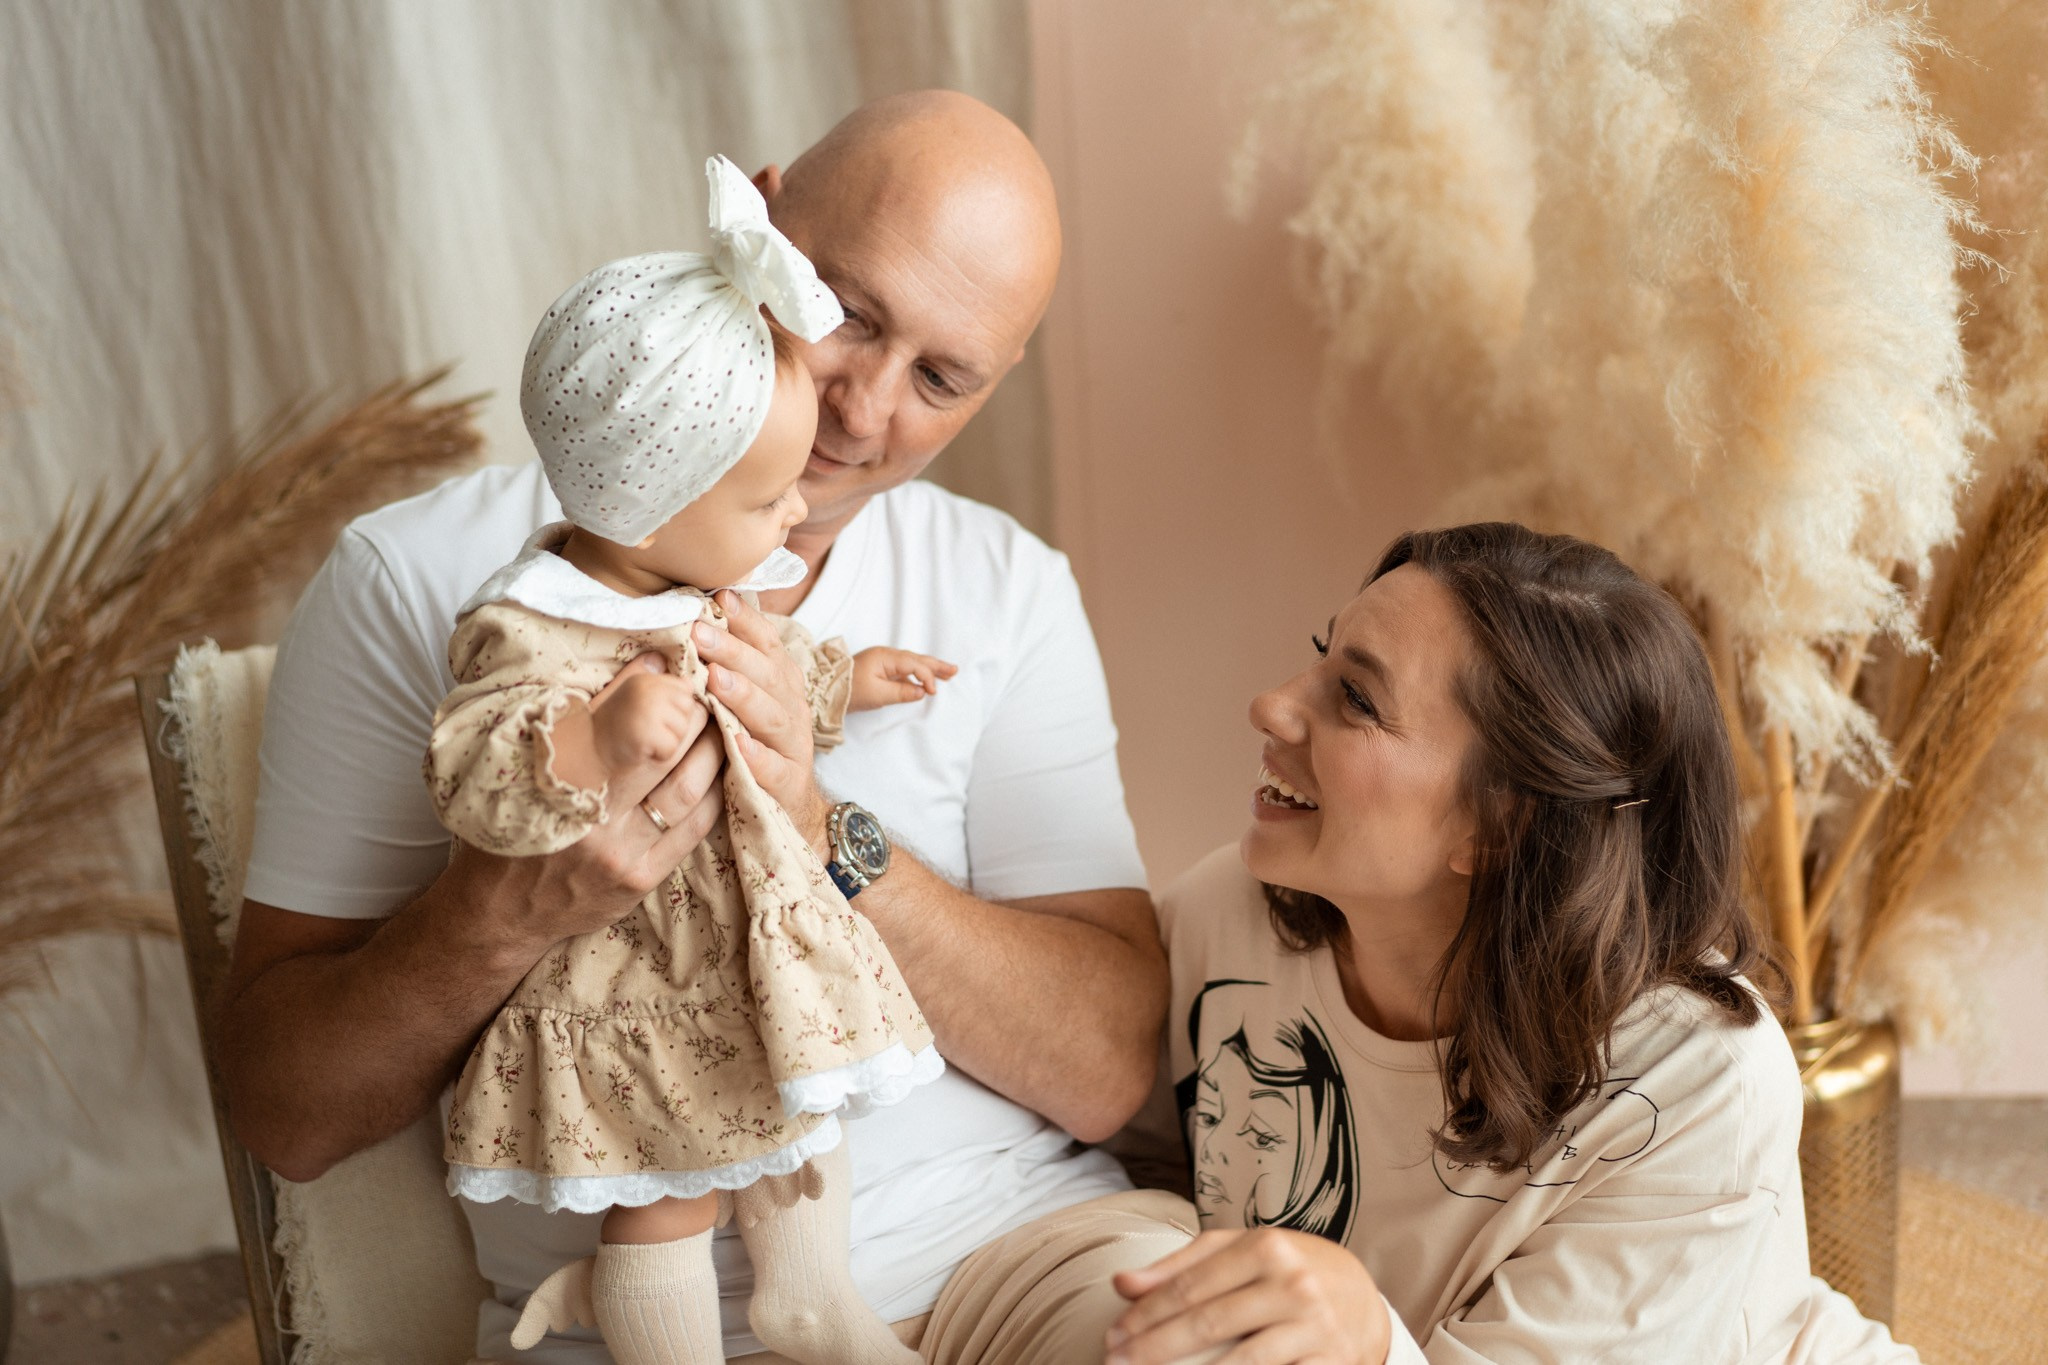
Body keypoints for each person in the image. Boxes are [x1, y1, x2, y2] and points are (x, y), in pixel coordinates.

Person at [219, 91, 1190, 1364]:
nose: (858, 409)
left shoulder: (1001, 588)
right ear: (763, 216)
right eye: (846, 313)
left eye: (940, 377)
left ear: (997, 384)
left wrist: (822, 831)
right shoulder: (428, 582)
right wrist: (511, 908)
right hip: (648, 1317)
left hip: (1019, 1261)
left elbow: (1114, 1064)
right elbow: (286, 1110)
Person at [1106, 524, 1918, 1364]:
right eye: (1324, 654)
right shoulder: (1231, 917)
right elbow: (1100, 1144)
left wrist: (1371, 1338)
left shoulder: (1695, 1079)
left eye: (1356, 699)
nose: (1271, 704)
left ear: (1502, 822)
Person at [435, 157, 958, 1365]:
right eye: (771, 497)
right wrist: (591, 739)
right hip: (637, 976)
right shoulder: (536, 620)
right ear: (649, 509)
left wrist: (845, 678)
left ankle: (809, 1300)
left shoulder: (701, 582)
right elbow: (474, 766)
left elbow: (766, 665)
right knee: (663, 1192)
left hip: (749, 947)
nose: (795, 521)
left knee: (809, 1107)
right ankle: (664, 1338)